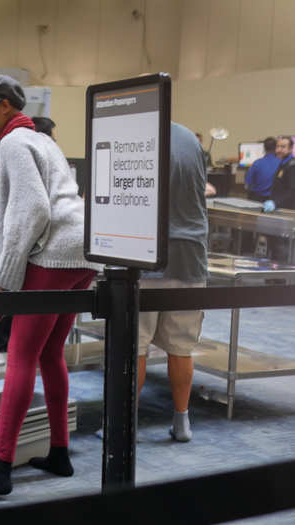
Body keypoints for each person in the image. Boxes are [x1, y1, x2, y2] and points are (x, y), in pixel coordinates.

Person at [0, 74, 101, 495]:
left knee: (20, 356)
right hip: (82, 254)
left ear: (5, 105)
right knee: (51, 353)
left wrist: (1, 276)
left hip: (53, 254)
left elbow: (32, 209)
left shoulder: (15, 143)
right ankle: (59, 452)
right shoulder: (42, 140)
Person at [137, 122, 208, 442]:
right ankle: (182, 423)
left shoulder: (136, 136)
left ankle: (125, 424)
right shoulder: (188, 139)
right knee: (181, 348)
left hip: (144, 255)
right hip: (191, 256)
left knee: (133, 348)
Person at [264, 136, 295, 213]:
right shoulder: (283, 163)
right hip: (279, 207)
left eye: (283, 147)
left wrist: (275, 203)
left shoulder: (292, 166)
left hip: (287, 210)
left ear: (291, 149)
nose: (279, 150)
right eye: (277, 146)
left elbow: (292, 191)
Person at [244, 137, 279, 202]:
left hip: (257, 200)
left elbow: (247, 185)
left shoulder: (256, 163)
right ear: (276, 148)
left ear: (264, 148)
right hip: (275, 201)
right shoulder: (282, 164)